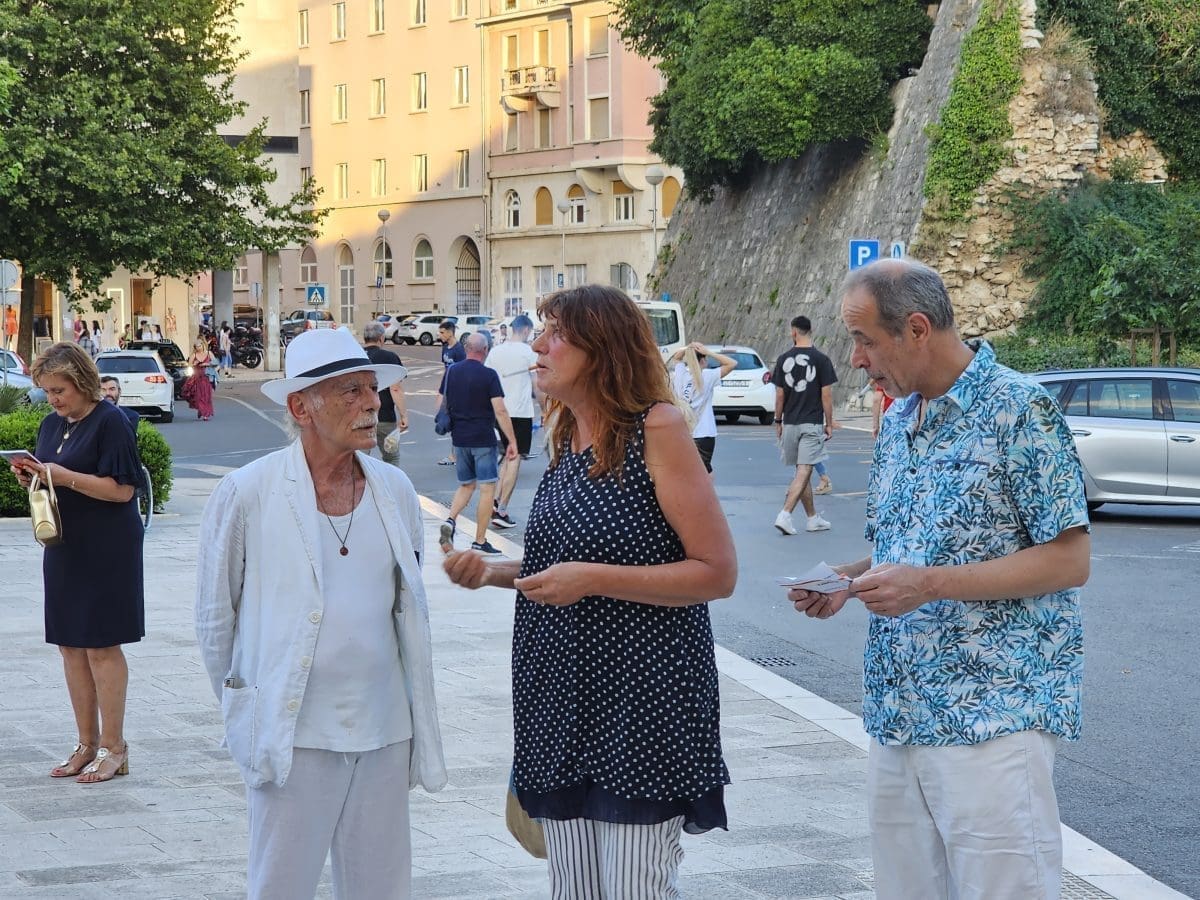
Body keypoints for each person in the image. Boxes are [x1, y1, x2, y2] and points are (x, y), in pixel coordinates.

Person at [788, 259, 1090, 900]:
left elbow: (1069, 560)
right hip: (898, 713)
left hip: (991, 716)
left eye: (866, 340)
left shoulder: (1020, 410)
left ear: (917, 328)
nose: (856, 359)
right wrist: (845, 580)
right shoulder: (900, 420)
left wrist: (927, 585)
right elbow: (905, 549)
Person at [443, 285, 737, 897]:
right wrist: (493, 572)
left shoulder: (656, 428)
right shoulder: (569, 437)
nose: (537, 346)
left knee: (632, 887)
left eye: (555, 334)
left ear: (602, 349)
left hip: (640, 701)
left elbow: (716, 572)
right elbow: (564, 566)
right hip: (560, 697)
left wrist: (594, 579)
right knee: (573, 887)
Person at [195, 327, 445, 900]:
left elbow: (405, 603)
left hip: (384, 730)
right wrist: (245, 706)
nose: (371, 404)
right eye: (351, 391)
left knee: (382, 889)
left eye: (372, 389)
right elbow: (214, 621)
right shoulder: (248, 492)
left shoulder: (395, 490)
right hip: (294, 735)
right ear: (300, 407)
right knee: (281, 886)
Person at [9, 342, 144, 783]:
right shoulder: (51, 425)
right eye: (47, 391)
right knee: (70, 644)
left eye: (59, 390)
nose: (52, 399)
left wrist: (60, 475)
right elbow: (53, 476)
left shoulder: (112, 422)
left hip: (107, 546)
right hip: (64, 544)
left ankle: (115, 747)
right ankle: (86, 744)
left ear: (82, 382)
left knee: (102, 645)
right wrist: (32, 476)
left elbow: (123, 490)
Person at [440, 332, 517, 555]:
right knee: (487, 489)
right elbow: (500, 410)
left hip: (459, 438)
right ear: (485, 350)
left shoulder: (452, 371)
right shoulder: (489, 375)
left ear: (466, 349)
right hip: (483, 438)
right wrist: (511, 441)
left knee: (466, 485)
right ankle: (480, 540)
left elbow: (443, 401)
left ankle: (450, 520)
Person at [771, 315, 837, 535]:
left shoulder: (783, 359)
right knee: (805, 469)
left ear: (794, 332)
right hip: (811, 423)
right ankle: (785, 514)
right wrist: (829, 423)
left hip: (790, 422)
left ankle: (812, 518)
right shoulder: (822, 360)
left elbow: (779, 395)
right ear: (811, 331)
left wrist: (778, 420)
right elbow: (826, 395)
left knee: (802, 470)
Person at [483, 314, 537, 528]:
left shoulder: (496, 351)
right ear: (526, 330)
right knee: (515, 458)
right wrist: (545, 409)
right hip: (520, 412)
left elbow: (487, 379)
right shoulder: (528, 352)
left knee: (506, 456)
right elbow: (536, 383)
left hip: (498, 411)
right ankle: (502, 509)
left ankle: (495, 502)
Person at [670, 341, 736, 475]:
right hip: (704, 433)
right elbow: (732, 363)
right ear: (703, 360)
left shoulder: (681, 375)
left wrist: (689, 347)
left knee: (686, 471)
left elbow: (676, 357)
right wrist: (709, 352)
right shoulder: (708, 376)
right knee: (704, 471)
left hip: (683, 432)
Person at [362, 321, 408, 466]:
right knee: (391, 457)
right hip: (385, 417)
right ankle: (392, 481)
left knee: (360, 459)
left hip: (360, 417)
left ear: (364, 337)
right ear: (381, 338)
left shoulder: (356, 356)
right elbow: (395, 388)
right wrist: (403, 415)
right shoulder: (389, 357)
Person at [434, 320, 466, 466]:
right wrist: (441, 390)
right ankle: (456, 454)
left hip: (458, 389)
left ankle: (455, 455)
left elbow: (464, 370)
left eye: (442, 332)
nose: (439, 335)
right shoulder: (445, 348)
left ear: (450, 332)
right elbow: (445, 369)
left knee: (456, 422)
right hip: (448, 388)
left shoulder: (459, 350)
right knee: (448, 419)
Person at [184, 339, 215, 420]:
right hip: (197, 378)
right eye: (196, 347)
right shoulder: (194, 355)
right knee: (199, 396)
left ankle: (205, 414)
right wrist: (194, 364)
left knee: (206, 396)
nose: (198, 348)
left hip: (207, 377)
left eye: (199, 346)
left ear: (202, 345)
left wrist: (207, 364)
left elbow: (215, 363)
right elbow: (189, 365)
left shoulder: (209, 353)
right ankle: (202, 410)